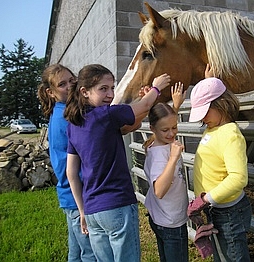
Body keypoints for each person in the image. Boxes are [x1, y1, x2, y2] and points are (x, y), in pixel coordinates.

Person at [64, 64, 171, 262]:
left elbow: (71, 172)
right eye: (103, 89)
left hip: (93, 210)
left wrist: (82, 211)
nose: (110, 94)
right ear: (84, 92)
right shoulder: (106, 115)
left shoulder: (75, 125)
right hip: (117, 205)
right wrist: (156, 88)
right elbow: (145, 106)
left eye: (112, 88)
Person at [188, 66, 252, 262]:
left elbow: (238, 178)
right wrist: (211, 81)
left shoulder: (230, 134)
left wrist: (207, 199)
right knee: (223, 255)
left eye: (205, 111)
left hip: (229, 212)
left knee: (232, 256)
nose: (202, 117)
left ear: (221, 104)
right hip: (216, 208)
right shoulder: (213, 128)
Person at [37, 64, 96, 262]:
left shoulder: (61, 112)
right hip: (77, 195)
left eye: (72, 80)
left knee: (77, 251)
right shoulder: (68, 117)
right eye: (62, 84)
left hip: (68, 195)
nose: (70, 86)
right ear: (50, 92)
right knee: (90, 253)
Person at [142, 83, 188, 262]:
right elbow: (159, 191)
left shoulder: (156, 142)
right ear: (152, 129)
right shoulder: (162, 155)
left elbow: (165, 123)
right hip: (171, 224)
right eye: (166, 130)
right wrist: (173, 159)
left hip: (161, 218)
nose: (171, 134)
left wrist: (175, 106)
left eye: (175, 127)